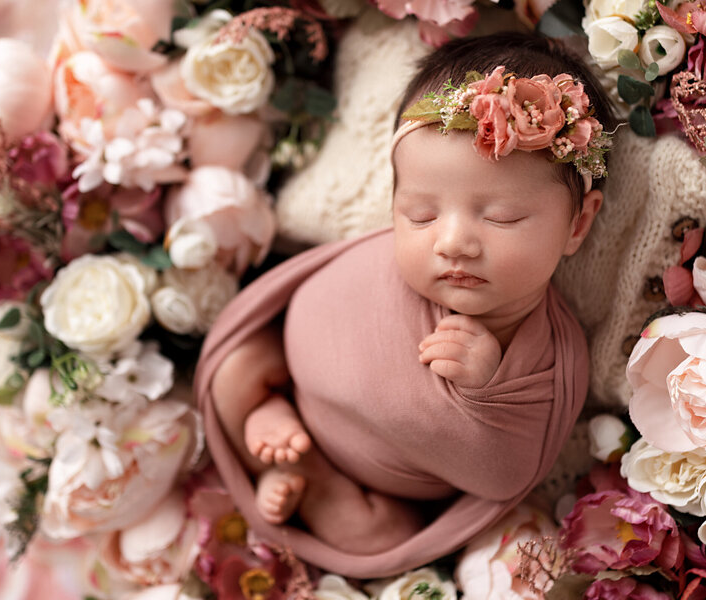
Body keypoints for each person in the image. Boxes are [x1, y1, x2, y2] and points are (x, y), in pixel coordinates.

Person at [194, 32, 615, 578]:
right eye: (420, 214)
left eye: (502, 218)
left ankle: (317, 485)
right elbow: (306, 294)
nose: (453, 242)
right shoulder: (383, 262)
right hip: (286, 381)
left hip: (377, 487)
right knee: (234, 368)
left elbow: (508, 473)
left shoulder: (548, 356)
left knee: (378, 541)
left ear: (577, 224)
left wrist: (487, 387)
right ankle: (264, 416)